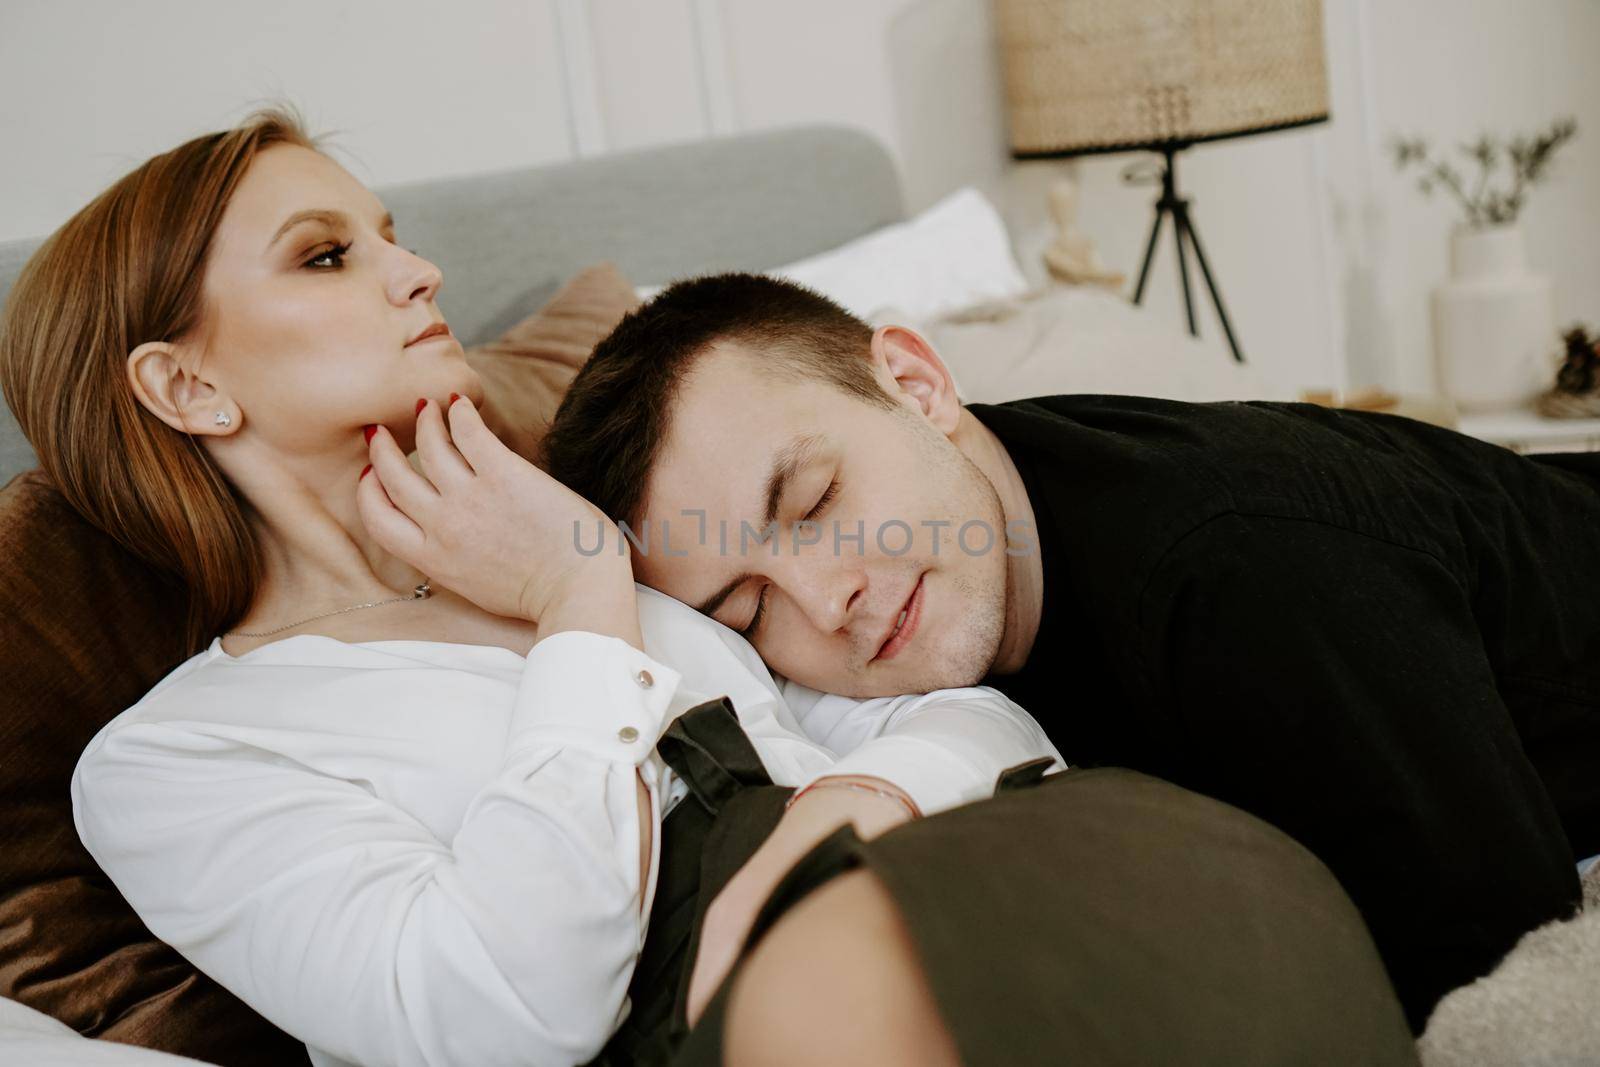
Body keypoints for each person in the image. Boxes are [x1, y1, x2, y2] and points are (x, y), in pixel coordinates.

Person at [2, 113, 1417, 1067]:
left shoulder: (613, 577)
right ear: (184, 382)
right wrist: (575, 607)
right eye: (329, 253)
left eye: (390, 233)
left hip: (1068, 859)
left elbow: (985, 724)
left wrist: (855, 804)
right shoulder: (176, 759)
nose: (419, 271)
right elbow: (507, 1009)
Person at [544, 270, 1600, 1033]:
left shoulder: (1241, 572)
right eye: (745, 608)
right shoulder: (968, 547)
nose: (827, 603)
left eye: (815, 500)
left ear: (917, 383)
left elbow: (1504, 978)